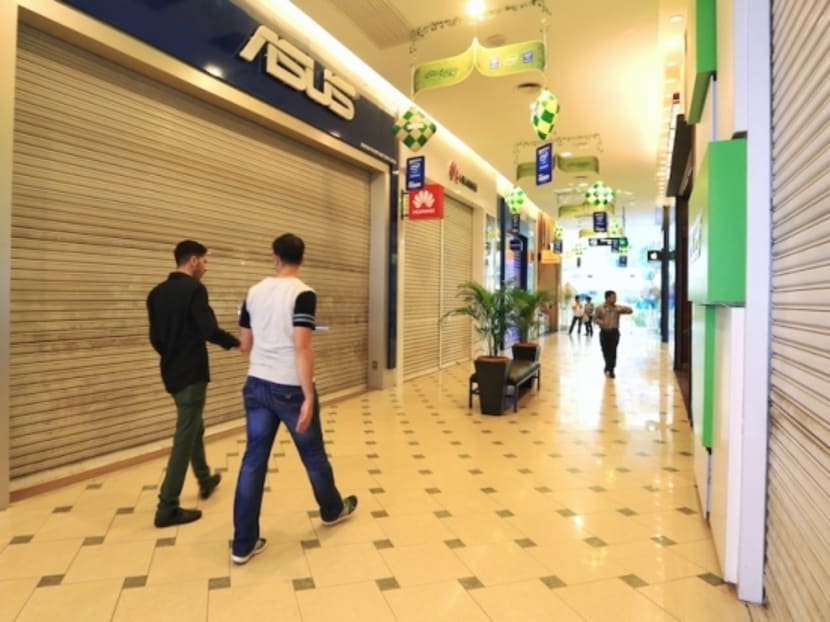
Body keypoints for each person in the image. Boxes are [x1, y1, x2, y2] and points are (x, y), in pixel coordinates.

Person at [231, 233, 357, 565]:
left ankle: (242, 544)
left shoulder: (253, 293)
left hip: (256, 384)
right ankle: (332, 510)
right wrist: (308, 396)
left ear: (275, 257)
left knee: (252, 461)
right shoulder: (303, 294)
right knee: (313, 455)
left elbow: (245, 345)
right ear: (303, 259)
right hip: (289, 387)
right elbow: (302, 347)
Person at [147, 240, 240, 528]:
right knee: (185, 434)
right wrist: (237, 342)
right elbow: (208, 330)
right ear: (193, 261)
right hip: (191, 373)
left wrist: (173, 353)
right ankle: (167, 506)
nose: (206, 267)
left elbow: (156, 339)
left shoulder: (156, 294)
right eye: (204, 261)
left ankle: (205, 478)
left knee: (194, 424)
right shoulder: (194, 290)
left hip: (171, 371)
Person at [593, 289, 633, 378]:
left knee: (613, 351)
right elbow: (595, 319)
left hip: (614, 333)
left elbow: (630, 310)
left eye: (615, 297)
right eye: (613, 297)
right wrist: (602, 322)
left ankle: (611, 370)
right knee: (605, 350)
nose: (615, 299)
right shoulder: (599, 308)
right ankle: (607, 365)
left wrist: (622, 309)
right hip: (604, 333)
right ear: (607, 298)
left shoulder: (617, 308)